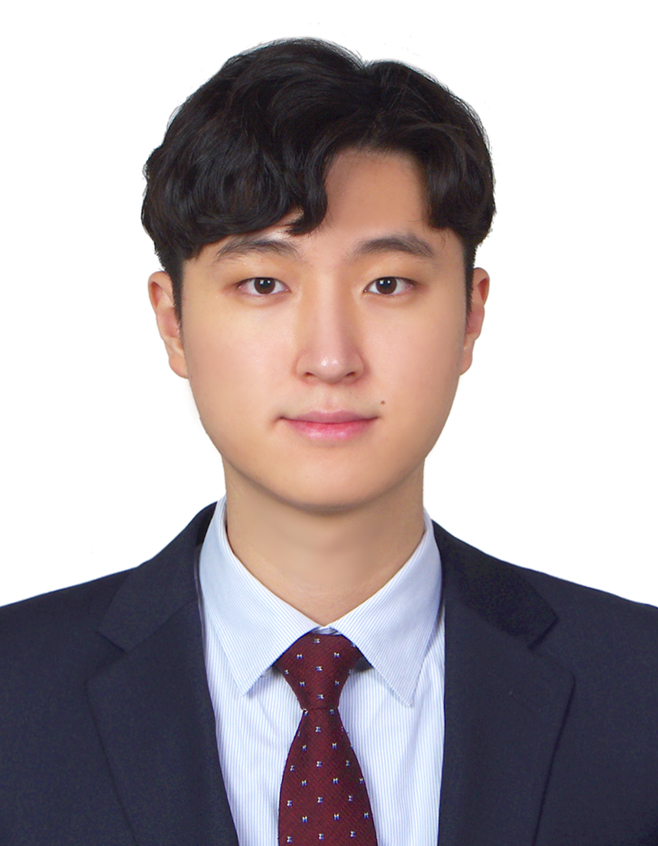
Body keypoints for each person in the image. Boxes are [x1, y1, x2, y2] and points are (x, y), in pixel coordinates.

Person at [1, 37, 657, 846]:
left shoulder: (640, 689)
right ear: (173, 322)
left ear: (470, 314)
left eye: (388, 284)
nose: (330, 357)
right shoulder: (14, 696)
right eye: (263, 283)